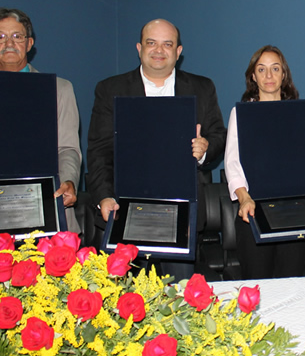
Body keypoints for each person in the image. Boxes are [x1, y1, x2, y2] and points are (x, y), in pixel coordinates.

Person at [87, 19, 226, 276]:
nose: (159, 50)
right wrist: (104, 196)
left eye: (167, 44)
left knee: (181, 295)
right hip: (125, 211)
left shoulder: (202, 87)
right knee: (128, 296)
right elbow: (99, 150)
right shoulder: (110, 89)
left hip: (184, 214)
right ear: (139, 48)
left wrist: (205, 149)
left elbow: (218, 135)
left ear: (178, 51)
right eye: (151, 43)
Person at [0, 7, 81, 241]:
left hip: (44, 204)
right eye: (0, 37)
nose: (9, 43)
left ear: (29, 43)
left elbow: (68, 148)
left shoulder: (59, 89)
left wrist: (69, 181)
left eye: (17, 36)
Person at [224, 45, 305, 279]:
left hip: (296, 212)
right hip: (253, 211)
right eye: (261, 69)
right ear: (253, 76)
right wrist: (244, 198)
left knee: (291, 283)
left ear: (284, 74)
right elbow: (232, 163)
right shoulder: (241, 113)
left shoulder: (297, 112)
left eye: (275, 68)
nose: (269, 75)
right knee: (258, 284)